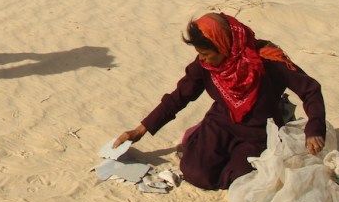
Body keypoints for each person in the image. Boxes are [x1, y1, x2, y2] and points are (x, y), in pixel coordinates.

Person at [113, 12, 326, 190]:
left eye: (206, 54)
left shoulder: (267, 61)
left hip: (260, 130)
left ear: (224, 46)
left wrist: (314, 129)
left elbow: (311, 90)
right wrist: (140, 130)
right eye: (199, 54)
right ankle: (198, 137)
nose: (203, 60)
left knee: (240, 178)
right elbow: (180, 96)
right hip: (221, 122)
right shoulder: (206, 65)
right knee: (197, 174)